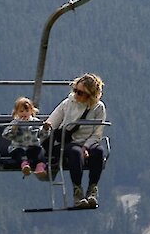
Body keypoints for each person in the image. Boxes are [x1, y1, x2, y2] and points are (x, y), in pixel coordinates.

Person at [43, 73, 108, 209]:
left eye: (81, 93)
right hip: (66, 143)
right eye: (75, 90)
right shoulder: (68, 103)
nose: (76, 95)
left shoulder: (98, 108)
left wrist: (86, 146)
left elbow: (97, 134)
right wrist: (46, 127)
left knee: (99, 152)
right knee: (75, 152)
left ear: (90, 95)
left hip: (88, 142)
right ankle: (77, 192)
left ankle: (92, 190)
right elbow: (53, 120)